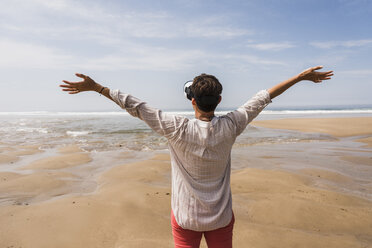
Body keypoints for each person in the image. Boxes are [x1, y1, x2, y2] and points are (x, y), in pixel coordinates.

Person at [59, 66, 333, 248]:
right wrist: (299, 78)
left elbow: (136, 106)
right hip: (221, 218)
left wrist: (98, 88)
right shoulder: (232, 125)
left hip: (185, 218)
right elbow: (262, 98)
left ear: (192, 101)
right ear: (220, 99)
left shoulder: (176, 127)